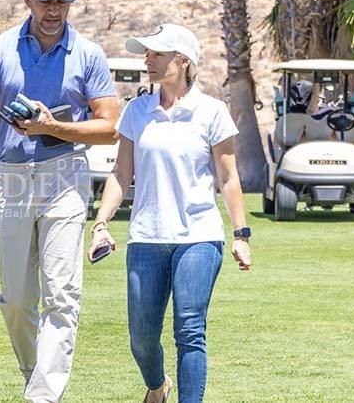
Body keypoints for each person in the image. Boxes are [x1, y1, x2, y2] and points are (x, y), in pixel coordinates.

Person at [0, 0, 119, 402]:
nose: (54, 11)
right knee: (15, 300)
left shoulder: (88, 54)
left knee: (62, 294)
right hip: (10, 177)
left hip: (65, 175)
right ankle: (34, 372)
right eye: (46, 1)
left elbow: (110, 125)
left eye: (62, 3)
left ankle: (44, 394)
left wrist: (55, 129)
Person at [89, 24, 252, 403]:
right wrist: (101, 224)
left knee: (190, 328)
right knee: (142, 337)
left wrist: (241, 235)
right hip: (146, 237)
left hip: (199, 235)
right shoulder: (136, 111)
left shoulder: (212, 111)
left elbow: (228, 179)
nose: (148, 59)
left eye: (157, 53)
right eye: (147, 53)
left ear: (183, 60)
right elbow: (121, 173)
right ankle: (157, 385)